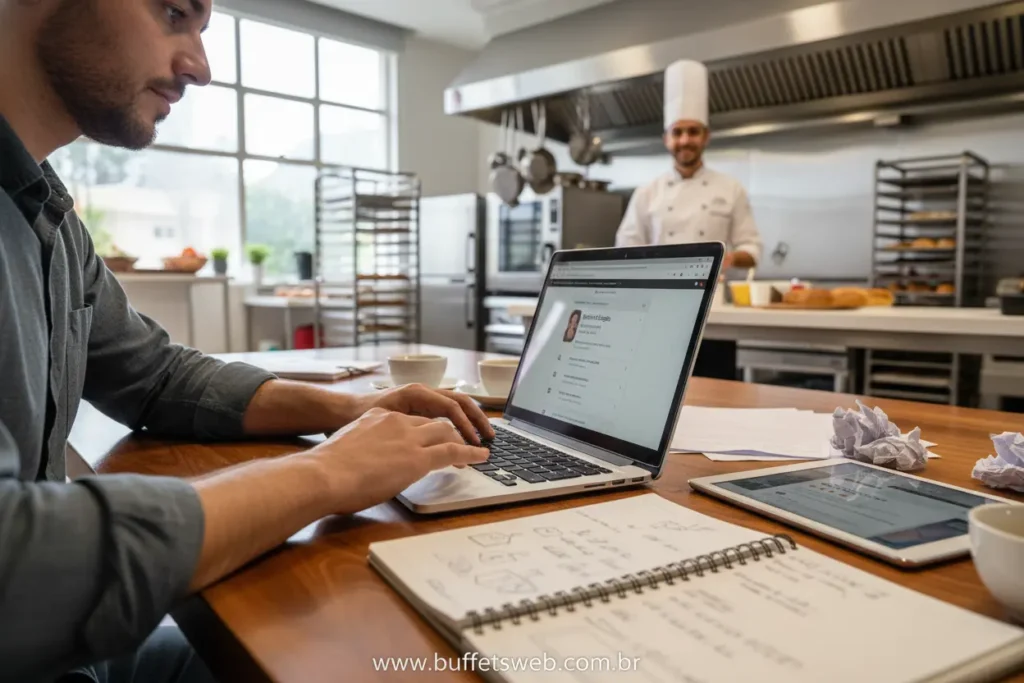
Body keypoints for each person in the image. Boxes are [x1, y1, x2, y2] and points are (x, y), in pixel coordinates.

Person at [0, 1, 494, 681]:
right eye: (175, 12)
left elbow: (158, 377)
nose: (199, 66)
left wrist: (350, 411)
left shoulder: (48, 216)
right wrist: (326, 474)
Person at [614, 59, 762, 379]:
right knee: (655, 390)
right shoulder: (647, 193)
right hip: (657, 315)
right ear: (667, 138)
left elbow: (752, 248)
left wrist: (727, 258)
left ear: (706, 136)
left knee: (718, 395)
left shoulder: (730, 188)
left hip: (715, 317)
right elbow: (625, 248)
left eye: (692, 132)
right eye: (677, 132)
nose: (685, 140)